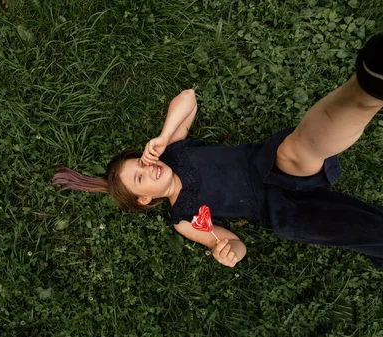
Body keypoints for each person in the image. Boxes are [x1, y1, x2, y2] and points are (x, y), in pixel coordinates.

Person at [53, 32, 383, 268]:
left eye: (139, 162)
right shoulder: (183, 218)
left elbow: (188, 97)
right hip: (283, 212)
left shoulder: (174, 153)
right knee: (367, 231)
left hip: (269, 166)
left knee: (298, 148)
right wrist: (230, 252)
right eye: (140, 179)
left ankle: (370, 84)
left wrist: (164, 137)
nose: (148, 168)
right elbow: (222, 241)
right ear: (145, 199)